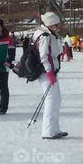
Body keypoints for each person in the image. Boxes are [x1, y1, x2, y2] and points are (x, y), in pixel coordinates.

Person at [33, 11, 66, 140]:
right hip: (46, 73)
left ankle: (54, 128)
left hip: (50, 72)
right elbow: (43, 56)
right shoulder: (45, 36)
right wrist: (49, 72)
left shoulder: (50, 34)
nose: (59, 27)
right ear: (51, 24)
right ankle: (48, 131)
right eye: (57, 24)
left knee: (56, 99)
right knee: (51, 101)